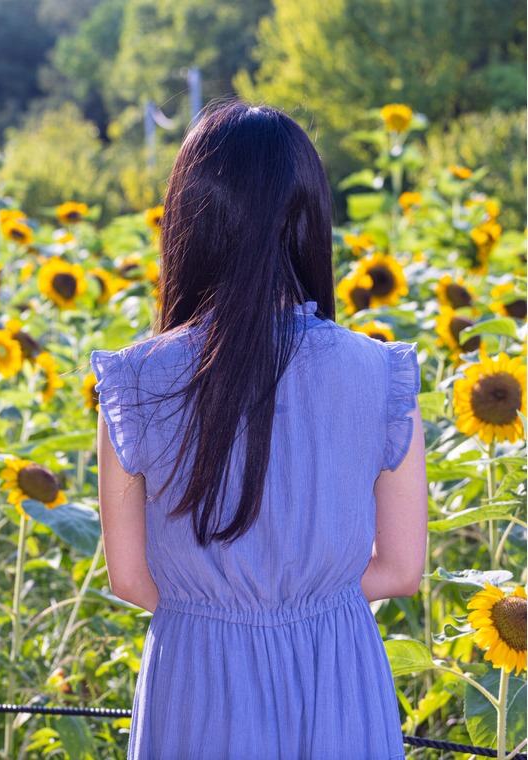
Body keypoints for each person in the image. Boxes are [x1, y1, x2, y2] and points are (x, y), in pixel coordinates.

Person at [90, 99, 428, 760]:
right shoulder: (381, 373)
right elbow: (403, 568)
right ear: (308, 219)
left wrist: (218, 608)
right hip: (336, 675)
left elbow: (128, 578)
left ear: (189, 222)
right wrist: (305, 599)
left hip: (197, 682)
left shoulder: (134, 380)